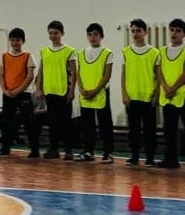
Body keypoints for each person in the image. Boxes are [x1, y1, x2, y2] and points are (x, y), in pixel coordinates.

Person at [158, 19, 185, 170]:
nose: (174, 33)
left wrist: (173, 88)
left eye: (178, 31)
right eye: (172, 30)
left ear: (184, 34)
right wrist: (165, 87)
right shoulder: (162, 51)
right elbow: (159, 71)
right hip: (167, 96)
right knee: (169, 129)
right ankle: (171, 160)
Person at [120, 19, 159, 166]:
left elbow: (158, 76)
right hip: (132, 97)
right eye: (133, 31)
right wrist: (124, 93)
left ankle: (150, 157)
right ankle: (134, 155)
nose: (135, 34)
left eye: (138, 31)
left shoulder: (154, 52)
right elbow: (123, 74)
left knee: (150, 129)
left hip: (148, 97)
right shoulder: (126, 51)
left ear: (145, 32)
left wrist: (156, 95)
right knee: (133, 130)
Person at [37, 21, 77, 159]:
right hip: (49, 92)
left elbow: (74, 72)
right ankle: (53, 149)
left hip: (63, 92)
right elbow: (40, 72)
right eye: (51, 33)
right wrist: (38, 88)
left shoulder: (69, 51)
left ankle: (69, 150)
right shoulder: (44, 51)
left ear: (62, 33)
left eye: (56, 33)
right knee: (53, 123)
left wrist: (72, 91)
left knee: (66, 123)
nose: (53, 36)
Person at [77, 23, 115, 162]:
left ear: (101, 36)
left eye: (95, 34)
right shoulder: (80, 53)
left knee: (105, 124)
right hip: (85, 94)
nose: (92, 37)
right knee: (87, 124)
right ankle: (88, 151)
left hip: (100, 93)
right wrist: (81, 89)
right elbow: (78, 73)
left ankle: (108, 152)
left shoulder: (107, 53)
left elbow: (107, 75)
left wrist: (96, 90)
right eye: (90, 34)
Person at [0, 27, 37, 158]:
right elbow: (1, 76)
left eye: (18, 40)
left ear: (23, 41)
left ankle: (34, 149)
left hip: (24, 93)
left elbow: (30, 76)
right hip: (8, 93)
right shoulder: (4, 56)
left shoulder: (28, 56)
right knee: (7, 120)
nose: (15, 43)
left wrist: (17, 91)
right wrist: (5, 91)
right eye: (12, 40)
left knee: (28, 122)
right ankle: (6, 147)